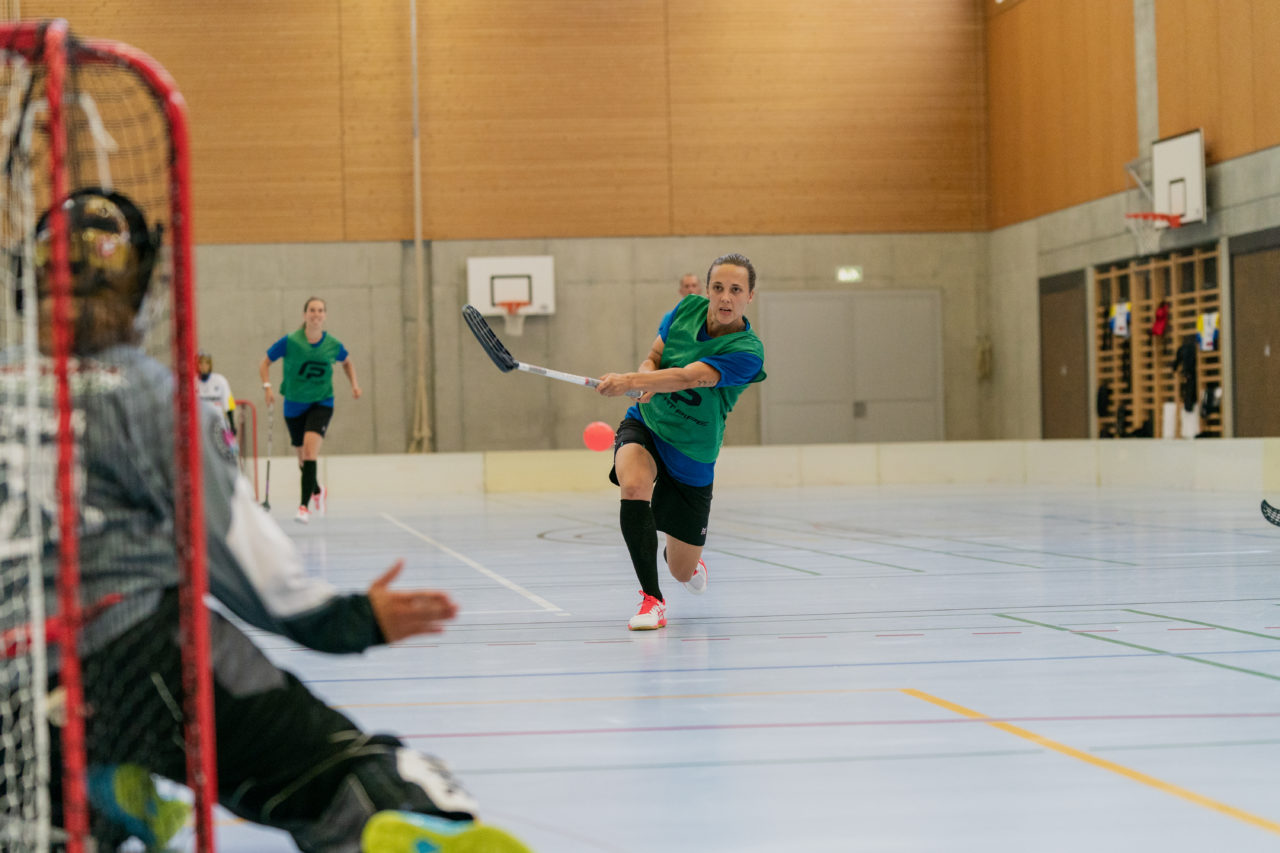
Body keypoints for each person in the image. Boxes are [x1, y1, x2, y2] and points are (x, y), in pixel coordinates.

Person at [0, 188, 531, 852]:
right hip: (136, 647)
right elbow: (238, 555)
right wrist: (347, 619)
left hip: (16, 682)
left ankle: (96, 779)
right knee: (358, 786)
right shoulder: (146, 392)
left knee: (54, 814)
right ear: (137, 285)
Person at [596, 253, 766, 630]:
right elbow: (654, 358)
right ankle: (652, 601)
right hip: (648, 424)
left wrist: (631, 381)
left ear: (750, 296)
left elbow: (689, 377)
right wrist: (643, 378)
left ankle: (689, 566)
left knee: (681, 569)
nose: (725, 297)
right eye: (718, 288)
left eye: (735, 290)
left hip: (692, 452)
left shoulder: (747, 352)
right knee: (634, 483)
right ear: (707, 290)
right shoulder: (685, 310)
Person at [259, 297, 361, 524]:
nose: (316, 314)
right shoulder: (290, 342)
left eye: (321, 311)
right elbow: (264, 363)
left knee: (309, 452)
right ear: (305, 315)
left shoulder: (332, 344)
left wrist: (354, 383)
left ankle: (303, 506)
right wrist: (267, 387)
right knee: (303, 460)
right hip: (293, 405)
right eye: (312, 310)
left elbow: (347, 362)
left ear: (325, 316)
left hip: (321, 403)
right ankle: (317, 490)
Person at [196, 349, 237, 436]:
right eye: (200, 363)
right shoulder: (192, 382)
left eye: (206, 363)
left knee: (232, 449)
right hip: (200, 426)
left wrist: (232, 425)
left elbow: (228, 403)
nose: (203, 366)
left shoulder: (220, 380)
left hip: (219, 425)